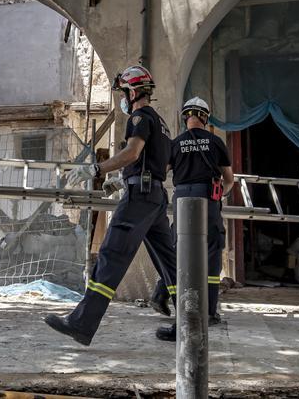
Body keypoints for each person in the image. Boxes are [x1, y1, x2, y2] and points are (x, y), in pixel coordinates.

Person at [44, 65, 177, 346]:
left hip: (139, 199)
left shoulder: (140, 117)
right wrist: (122, 179)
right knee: (170, 263)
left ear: (133, 91)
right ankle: (192, 320)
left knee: (111, 256)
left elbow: (132, 152)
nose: (122, 98)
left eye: (123, 92)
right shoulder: (162, 124)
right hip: (154, 198)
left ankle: (81, 324)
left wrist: (97, 169)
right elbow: (157, 164)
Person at [152, 97, 235, 341]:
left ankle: (160, 293)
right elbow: (229, 179)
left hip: (181, 199)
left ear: (185, 117)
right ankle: (208, 312)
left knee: (178, 251)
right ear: (205, 118)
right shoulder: (215, 141)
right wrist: (220, 196)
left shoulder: (175, 143)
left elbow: (161, 171)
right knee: (211, 250)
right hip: (206, 198)